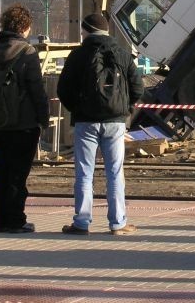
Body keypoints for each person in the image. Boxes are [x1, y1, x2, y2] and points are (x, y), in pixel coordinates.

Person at [57, 13, 144, 236]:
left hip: (86, 121)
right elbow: (138, 89)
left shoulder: (77, 55)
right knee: (114, 172)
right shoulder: (123, 54)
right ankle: (118, 223)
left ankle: (82, 223)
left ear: (85, 30)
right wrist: (125, 111)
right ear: (106, 31)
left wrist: (77, 109)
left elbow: (63, 90)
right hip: (115, 122)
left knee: (84, 172)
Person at [0, 4, 50, 233]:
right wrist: (44, 118)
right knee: (18, 173)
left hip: (0, 119)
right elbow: (36, 88)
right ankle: (15, 219)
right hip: (25, 121)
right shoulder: (27, 52)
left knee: (2, 169)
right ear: (24, 27)